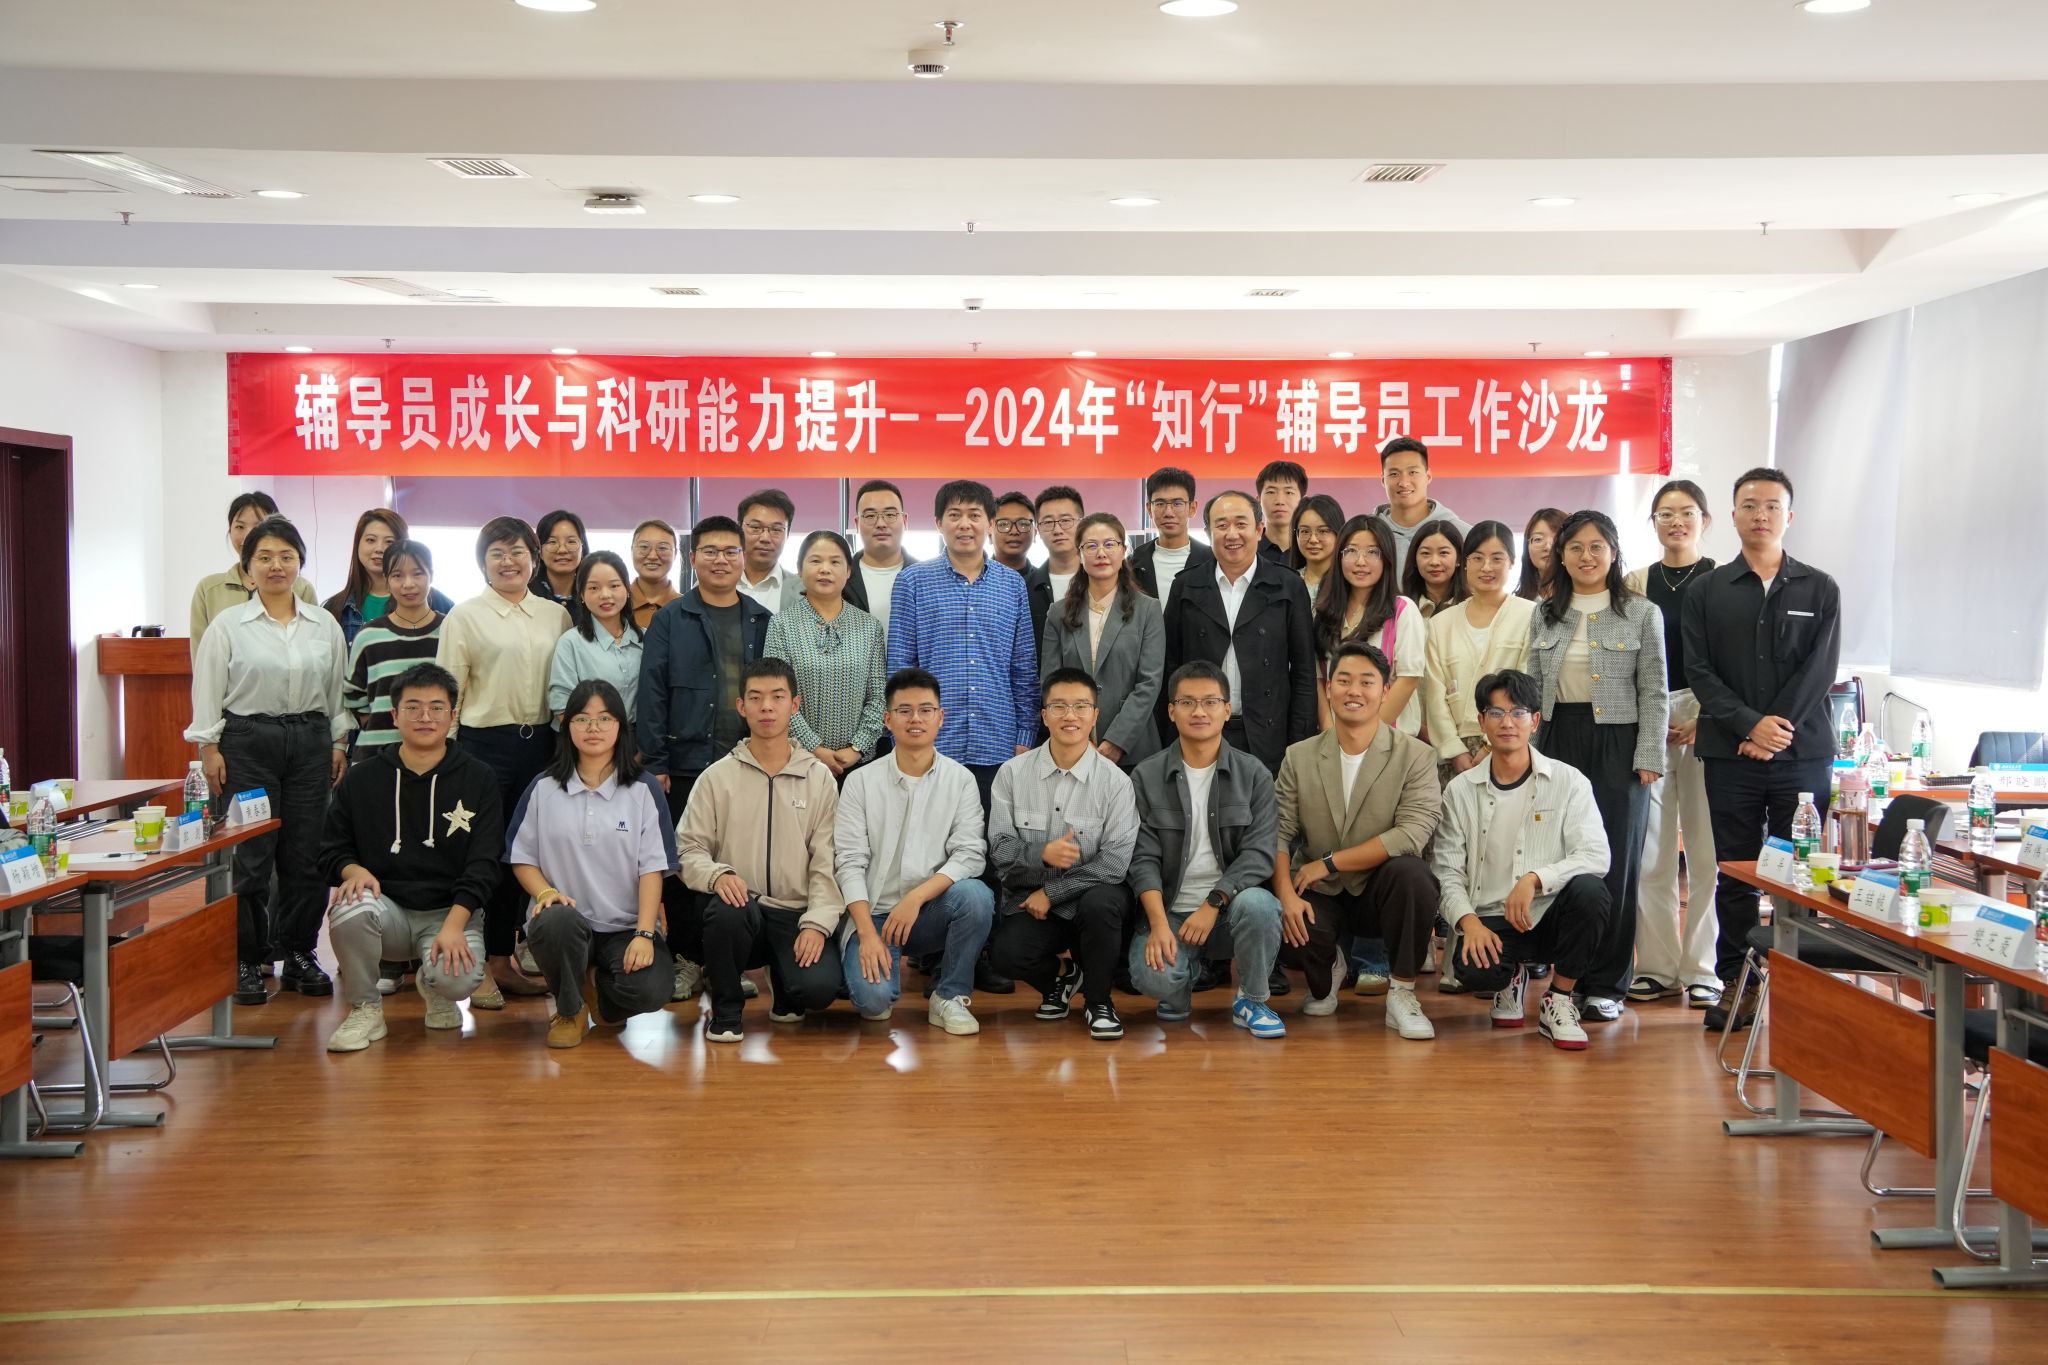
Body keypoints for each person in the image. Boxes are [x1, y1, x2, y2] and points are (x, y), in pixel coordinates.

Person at [1681, 467, 1840, 1031]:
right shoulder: (1706, 591)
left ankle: (1799, 987)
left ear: (1788, 516)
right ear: (1732, 516)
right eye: (1749, 505)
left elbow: (1820, 670)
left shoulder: (1820, 588)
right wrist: (1750, 727)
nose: (1760, 515)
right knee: (1737, 873)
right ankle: (1738, 983)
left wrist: (1775, 730)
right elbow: (1699, 671)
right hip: (1731, 757)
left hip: (1803, 757)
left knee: (1799, 874)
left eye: (1772, 506)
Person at [186, 514, 349, 1005]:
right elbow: (208, 690)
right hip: (247, 744)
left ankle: (299, 951)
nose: (276, 566)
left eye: (286, 556)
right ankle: (246, 957)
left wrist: (338, 744)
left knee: (305, 855)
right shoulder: (228, 625)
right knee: (250, 858)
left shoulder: (323, 624)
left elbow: (336, 691)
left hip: (310, 743)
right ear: (248, 567)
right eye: (265, 557)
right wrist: (209, 749)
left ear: (300, 563)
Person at [1522, 509, 1667, 1022]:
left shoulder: (1642, 612)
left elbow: (1655, 690)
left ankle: (1606, 983)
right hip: (1557, 738)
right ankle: (1563, 975)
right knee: (1556, 853)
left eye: (1597, 547)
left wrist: (1649, 755)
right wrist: (1526, 751)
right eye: (1576, 547)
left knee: (1616, 861)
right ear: (1560, 556)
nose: (1587, 556)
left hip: (1618, 744)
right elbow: (1532, 687)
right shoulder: (1545, 613)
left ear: (1613, 552)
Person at [319, 663, 499, 1051]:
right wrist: (352, 869)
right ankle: (366, 1008)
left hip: (449, 913)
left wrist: (455, 924)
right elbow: (330, 848)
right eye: (413, 707)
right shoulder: (363, 778)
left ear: (453, 715)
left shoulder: (479, 777)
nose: (425, 717)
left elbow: (485, 864)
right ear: (394, 715)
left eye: (436, 708)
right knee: (349, 906)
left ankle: (435, 986)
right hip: (387, 912)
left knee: (459, 980)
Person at [1273, 642, 1443, 1038]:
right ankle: (1330, 968)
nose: (1354, 691)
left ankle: (1402, 992)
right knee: (1271, 904)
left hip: (1379, 889)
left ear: (1385, 691)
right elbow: (1278, 831)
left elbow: (1412, 833)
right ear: (1328, 688)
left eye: (1367, 682)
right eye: (1344, 680)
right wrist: (1284, 895)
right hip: (1320, 892)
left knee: (1414, 875)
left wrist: (1329, 862)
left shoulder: (1415, 755)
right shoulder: (1299, 756)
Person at [1435, 670, 1612, 1050]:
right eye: (1496, 713)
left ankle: (1558, 998)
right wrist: (1468, 923)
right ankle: (1510, 978)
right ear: (1481, 721)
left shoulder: (1569, 781)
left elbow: (1596, 854)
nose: (1507, 723)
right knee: (1475, 973)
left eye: (1518, 713)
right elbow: (1446, 870)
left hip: (1548, 914)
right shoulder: (1459, 790)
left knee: (1591, 892)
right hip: (1491, 918)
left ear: (1535, 720)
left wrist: (1535, 879)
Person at [437, 515, 572, 1005]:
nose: (508, 561)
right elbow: (449, 691)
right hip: (483, 747)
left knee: (526, 853)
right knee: (484, 854)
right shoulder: (465, 616)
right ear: (483, 563)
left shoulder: (555, 615)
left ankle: (504, 957)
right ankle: (478, 968)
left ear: (533, 560)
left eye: (517, 552)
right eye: (497, 553)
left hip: (541, 746)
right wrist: (447, 754)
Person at [676, 658, 846, 1041]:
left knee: (818, 990)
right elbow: (687, 849)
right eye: (755, 698)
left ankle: (785, 983)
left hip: (794, 912)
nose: (766, 707)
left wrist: (817, 924)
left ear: (795, 705)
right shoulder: (716, 777)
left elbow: (828, 863)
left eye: (777, 697)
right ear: (741, 706)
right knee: (726, 910)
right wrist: (717, 875)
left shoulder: (819, 779)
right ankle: (726, 1010)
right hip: (741, 910)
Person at [638, 516, 772, 1002]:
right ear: (693, 559)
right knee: (681, 865)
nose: (721, 560)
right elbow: (652, 692)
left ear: (743, 558)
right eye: (710, 551)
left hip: (744, 762)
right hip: (684, 762)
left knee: (735, 861)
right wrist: (656, 762)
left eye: (730, 551)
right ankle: (687, 959)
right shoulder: (671, 618)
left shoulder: (760, 618)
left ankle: (726, 963)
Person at [508, 679, 678, 1049]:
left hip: (624, 927)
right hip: (567, 923)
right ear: (566, 725)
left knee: (651, 990)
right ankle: (570, 1011)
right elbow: (521, 858)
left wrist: (644, 934)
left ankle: (596, 991)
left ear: (620, 726)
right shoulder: (543, 787)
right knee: (554, 920)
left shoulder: (644, 789)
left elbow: (653, 869)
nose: (593, 728)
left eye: (604, 718)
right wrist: (546, 893)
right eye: (582, 719)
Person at [834, 668, 996, 1035]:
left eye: (926, 710)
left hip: (928, 911)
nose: (916, 719)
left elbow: (970, 853)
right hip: (875, 915)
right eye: (904, 711)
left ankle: (949, 995)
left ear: (941, 717)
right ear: (887, 719)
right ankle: (864, 965)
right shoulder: (860, 781)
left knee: (976, 896)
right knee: (873, 1002)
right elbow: (849, 862)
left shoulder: (960, 779)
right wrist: (866, 933)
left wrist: (916, 898)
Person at [1126, 661, 1285, 1032]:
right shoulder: (1146, 775)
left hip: (1229, 907)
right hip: (1171, 910)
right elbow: (1141, 857)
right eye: (1188, 702)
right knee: (1153, 979)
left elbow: (1259, 854)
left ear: (1227, 710)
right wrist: (1158, 923)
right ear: (1171, 711)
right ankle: (1182, 978)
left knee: (1261, 905)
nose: (1199, 711)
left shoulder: (1254, 774)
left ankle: (1252, 1000)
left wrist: (1214, 902)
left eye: (1210, 702)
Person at [987, 668, 1140, 1040]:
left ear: (1095, 715)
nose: (1070, 715)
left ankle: (1099, 1002)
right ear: (1044, 715)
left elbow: (1114, 863)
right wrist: (1042, 853)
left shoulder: (1116, 782)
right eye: (1059, 706)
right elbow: (1000, 849)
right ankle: (1062, 979)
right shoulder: (1011, 774)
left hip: (1090, 900)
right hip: (1033, 901)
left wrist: (1052, 892)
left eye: (1080, 706)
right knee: (1005, 955)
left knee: (1102, 903)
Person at [1625, 479, 1722, 1007]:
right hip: (1652, 717)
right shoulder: (1636, 582)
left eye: (1686, 513)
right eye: (1665, 514)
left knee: (1707, 852)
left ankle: (1703, 968)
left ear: (1705, 520)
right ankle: (1657, 967)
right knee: (1652, 849)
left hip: (1711, 721)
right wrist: (1650, 715)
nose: (1676, 522)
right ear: (1654, 523)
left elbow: (1733, 661)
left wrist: (1708, 718)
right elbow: (1625, 657)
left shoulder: (1725, 579)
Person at [885, 480, 1037, 806]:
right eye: (954, 515)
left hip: (998, 744)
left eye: (974, 515)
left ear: (990, 523)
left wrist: (1025, 738)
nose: (965, 524)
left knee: (996, 836)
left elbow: (1023, 669)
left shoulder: (1012, 585)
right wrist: (901, 737)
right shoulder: (912, 582)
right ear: (938, 523)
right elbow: (899, 668)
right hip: (930, 744)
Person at [1161, 490, 1317, 775]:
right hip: (1200, 728)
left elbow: (1304, 673)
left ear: (1259, 530)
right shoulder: (1186, 585)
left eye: (1241, 524)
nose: (1231, 534)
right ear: (1208, 533)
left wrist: (1299, 743)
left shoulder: (1288, 585)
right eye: (1221, 525)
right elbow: (1170, 665)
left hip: (1268, 732)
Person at [1040, 512, 1165, 770]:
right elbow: (1050, 682)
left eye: (1110, 544)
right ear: (1079, 553)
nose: (1101, 553)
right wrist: (1081, 739)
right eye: (1091, 546)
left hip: (1134, 748)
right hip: (1072, 745)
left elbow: (1149, 683)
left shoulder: (1148, 610)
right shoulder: (1058, 613)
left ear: (1123, 551)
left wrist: (1116, 741)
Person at [764, 530, 887, 780]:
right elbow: (776, 696)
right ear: (800, 570)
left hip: (859, 766)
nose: (825, 569)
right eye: (815, 561)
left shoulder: (869, 627)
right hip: (796, 761)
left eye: (835, 562)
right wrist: (815, 749)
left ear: (848, 571)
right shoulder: (781, 625)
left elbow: (878, 695)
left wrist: (856, 748)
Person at [1424, 520, 1536, 782]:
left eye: (1497, 558)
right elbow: (1434, 693)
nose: (1486, 567)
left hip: (1510, 741)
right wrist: (1454, 750)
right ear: (1464, 563)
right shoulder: (1441, 623)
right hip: (1454, 751)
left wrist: (1489, 746)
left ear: (1512, 562)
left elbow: (1528, 681)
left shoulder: (1530, 615)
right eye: (1477, 558)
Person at [1315, 515, 1424, 735]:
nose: (1360, 561)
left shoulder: (1402, 610)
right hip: (1335, 739)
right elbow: (1318, 679)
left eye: (1372, 552)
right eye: (1351, 551)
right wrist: (1330, 734)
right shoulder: (1322, 612)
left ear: (1387, 559)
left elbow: (1408, 679)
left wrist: (1366, 734)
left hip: (1388, 738)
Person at [342, 539, 446, 760]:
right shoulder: (369, 635)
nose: (408, 584)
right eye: (397, 575)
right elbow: (353, 693)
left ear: (431, 576)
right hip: (376, 755)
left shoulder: (450, 630)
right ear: (387, 580)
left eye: (418, 574)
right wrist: (378, 723)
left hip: (437, 755)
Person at [189, 491, 317, 648]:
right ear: (230, 531)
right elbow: (202, 652)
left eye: (258, 526)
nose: (248, 535)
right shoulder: (208, 589)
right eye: (240, 526)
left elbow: (312, 644)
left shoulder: (302, 588)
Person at [322, 507, 455, 648]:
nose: (379, 548)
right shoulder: (335, 608)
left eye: (389, 542)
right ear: (357, 544)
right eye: (371, 540)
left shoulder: (440, 604)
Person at [547, 550, 645, 724]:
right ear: (582, 595)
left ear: (627, 589)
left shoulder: (646, 638)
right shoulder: (571, 643)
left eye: (614, 586)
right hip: (587, 735)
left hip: (639, 736)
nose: (605, 595)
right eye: (594, 588)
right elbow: (561, 704)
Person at [1375, 437, 1470, 571]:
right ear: (1383, 480)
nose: (1404, 482)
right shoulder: (1368, 534)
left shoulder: (1463, 535)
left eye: (1413, 472)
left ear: (1428, 476)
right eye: (1394, 474)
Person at [843, 478, 920, 639]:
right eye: (870, 516)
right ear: (857, 523)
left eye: (890, 515)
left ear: (905, 521)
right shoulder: (841, 578)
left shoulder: (923, 577)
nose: (880, 523)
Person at [1132, 466, 1213, 604]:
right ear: (1149, 509)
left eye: (1177, 503)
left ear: (1192, 508)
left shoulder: (1212, 560)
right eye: (1160, 503)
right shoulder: (1134, 563)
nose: (1168, 512)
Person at [1025, 485, 1085, 648]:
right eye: (1048, 522)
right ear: (1038, 530)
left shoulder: (1101, 581)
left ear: (1082, 524)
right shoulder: (1025, 588)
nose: (1057, 530)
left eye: (1065, 520)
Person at [736, 488, 799, 614]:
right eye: (755, 527)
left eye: (776, 529)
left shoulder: (803, 591)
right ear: (739, 529)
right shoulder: (711, 582)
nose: (765, 538)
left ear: (787, 534)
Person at [1402, 520, 1469, 622]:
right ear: (1414, 559)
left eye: (1443, 552)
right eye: (1425, 553)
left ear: (1459, 558)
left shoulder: (1472, 606)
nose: (1434, 562)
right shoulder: (1401, 609)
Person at [1287, 493, 1344, 602]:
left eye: (1322, 531)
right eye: (1305, 531)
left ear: (1338, 533)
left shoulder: (1349, 583)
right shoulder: (1286, 583)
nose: (1313, 539)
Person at [628, 519, 680, 631]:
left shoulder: (689, 608)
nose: (652, 556)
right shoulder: (614, 604)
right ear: (631, 551)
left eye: (662, 548)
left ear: (675, 553)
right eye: (644, 547)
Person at [530, 509, 588, 605]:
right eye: (552, 542)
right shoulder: (525, 594)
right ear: (540, 551)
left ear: (583, 549)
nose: (562, 550)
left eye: (571, 541)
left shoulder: (592, 594)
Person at [1255, 459, 1307, 564]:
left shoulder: (1311, 551)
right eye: (1271, 492)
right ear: (1258, 500)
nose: (1280, 501)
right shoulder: (1247, 550)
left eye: (1289, 492)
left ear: (1303, 501)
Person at [1516, 507, 1567, 603]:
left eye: (1556, 538)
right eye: (1538, 539)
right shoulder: (1517, 603)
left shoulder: (1583, 597)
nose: (1547, 547)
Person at [990, 490, 1038, 576]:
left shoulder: (1045, 580)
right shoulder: (973, 579)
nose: (1014, 531)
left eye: (1023, 524)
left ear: (1035, 533)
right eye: (1004, 524)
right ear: (989, 534)